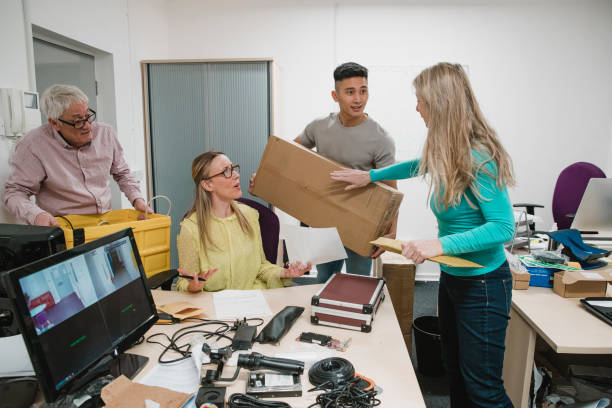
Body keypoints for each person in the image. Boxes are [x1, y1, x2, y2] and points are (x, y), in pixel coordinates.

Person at [331, 62, 516, 407]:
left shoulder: (478, 157)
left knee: (483, 389)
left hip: (484, 286)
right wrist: (370, 176)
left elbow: (503, 228)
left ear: (440, 103)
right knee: (455, 375)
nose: (417, 108)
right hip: (453, 278)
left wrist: (438, 243)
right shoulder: (448, 148)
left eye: (421, 101)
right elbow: (418, 164)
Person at [292, 61, 397, 283]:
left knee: (358, 282)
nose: (358, 99)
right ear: (335, 95)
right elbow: (289, 154)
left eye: (363, 91)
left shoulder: (381, 138)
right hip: (324, 220)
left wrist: (391, 232)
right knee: (323, 279)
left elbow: (391, 190)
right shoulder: (319, 127)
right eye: (350, 92)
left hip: (361, 223)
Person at [4, 84, 150, 226]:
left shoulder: (106, 133)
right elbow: (15, 193)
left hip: (104, 225)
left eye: (88, 116)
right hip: (64, 230)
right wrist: (36, 215)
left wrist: (137, 199)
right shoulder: (33, 144)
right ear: (54, 123)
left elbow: (122, 173)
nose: (87, 125)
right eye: (77, 121)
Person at [176, 151, 311, 292]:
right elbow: (183, 283)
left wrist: (286, 273)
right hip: (216, 307)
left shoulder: (250, 215)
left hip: (254, 300)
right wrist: (192, 286)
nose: (236, 175)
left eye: (233, 168)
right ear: (207, 185)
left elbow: (261, 267)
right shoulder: (191, 228)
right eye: (226, 171)